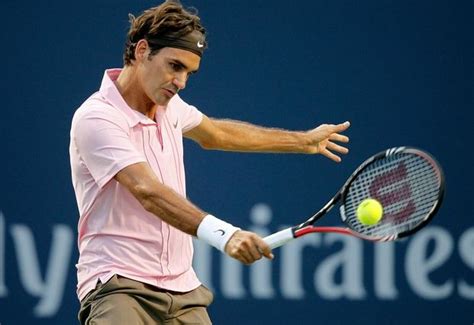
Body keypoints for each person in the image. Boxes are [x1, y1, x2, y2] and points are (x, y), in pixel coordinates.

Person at [69, 1, 350, 324]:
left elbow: (215, 133)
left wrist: (303, 141)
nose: (181, 82)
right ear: (142, 51)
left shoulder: (169, 107)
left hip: (184, 291)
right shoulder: (97, 118)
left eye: (189, 72)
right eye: (174, 66)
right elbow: (147, 191)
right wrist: (225, 235)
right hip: (119, 286)